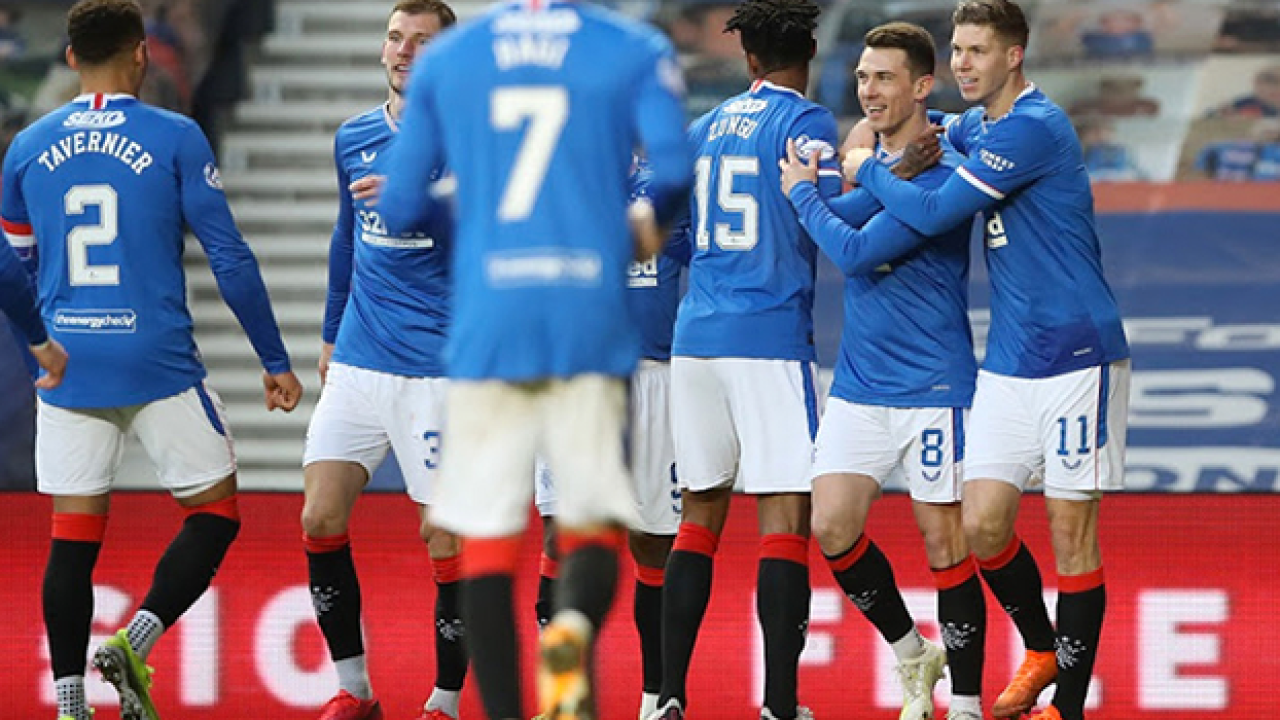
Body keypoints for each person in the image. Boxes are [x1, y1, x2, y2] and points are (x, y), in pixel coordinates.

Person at [376, 0, 692, 715]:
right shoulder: (632, 48)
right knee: (592, 521)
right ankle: (571, 630)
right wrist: (639, 229)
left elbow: (399, 204)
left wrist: (475, 235)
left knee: (487, 543)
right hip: (589, 316)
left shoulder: (452, 57)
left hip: (492, 324)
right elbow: (674, 170)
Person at [0, 3, 303, 720]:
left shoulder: (27, 147)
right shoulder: (174, 135)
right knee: (215, 513)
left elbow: (13, 270)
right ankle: (134, 640)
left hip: (70, 363)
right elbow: (228, 256)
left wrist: (38, 346)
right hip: (156, 359)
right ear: (141, 53)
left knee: (72, 539)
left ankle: (70, 706)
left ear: (69, 59)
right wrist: (272, 357)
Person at [844, 2, 1131, 719]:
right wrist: (888, 137)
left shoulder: (1034, 127)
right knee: (983, 525)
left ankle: (1067, 708)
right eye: (957, 50)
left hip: (1076, 354)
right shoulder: (976, 126)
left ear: (1013, 56)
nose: (963, 63)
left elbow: (933, 213)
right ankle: (1040, 649)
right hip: (1008, 360)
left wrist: (867, 169)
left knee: (1071, 534)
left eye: (977, 51)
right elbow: (933, 130)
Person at [779, 21, 984, 720]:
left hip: (934, 384)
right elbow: (847, 214)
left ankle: (966, 704)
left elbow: (854, 249)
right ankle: (911, 652)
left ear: (923, 86)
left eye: (885, 77)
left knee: (945, 542)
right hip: (861, 386)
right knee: (832, 525)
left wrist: (803, 193)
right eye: (863, 76)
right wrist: (876, 173)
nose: (868, 90)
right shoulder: (892, 163)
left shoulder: (949, 167)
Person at [652, 1, 841, 718]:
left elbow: (672, 235)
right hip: (768, 337)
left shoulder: (702, 129)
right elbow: (826, 212)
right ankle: (780, 704)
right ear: (810, 54)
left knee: (699, 512)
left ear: (750, 59)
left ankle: (670, 695)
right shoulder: (807, 123)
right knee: (784, 513)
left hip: (697, 336)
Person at [301, 3, 465, 720]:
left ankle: (445, 701)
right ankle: (355, 690)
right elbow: (348, 236)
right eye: (396, 37)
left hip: (439, 369)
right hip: (361, 359)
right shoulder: (355, 136)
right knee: (319, 516)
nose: (404, 51)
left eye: (422, 42)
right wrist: (331, 333)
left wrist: (420, 202)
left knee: (445, 535)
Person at [532, 157, 688, 720]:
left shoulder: (666, 190)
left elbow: (706, 255)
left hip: (654, 378)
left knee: (653, 543)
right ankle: (562, 699)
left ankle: (656, 700)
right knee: (562, 536)